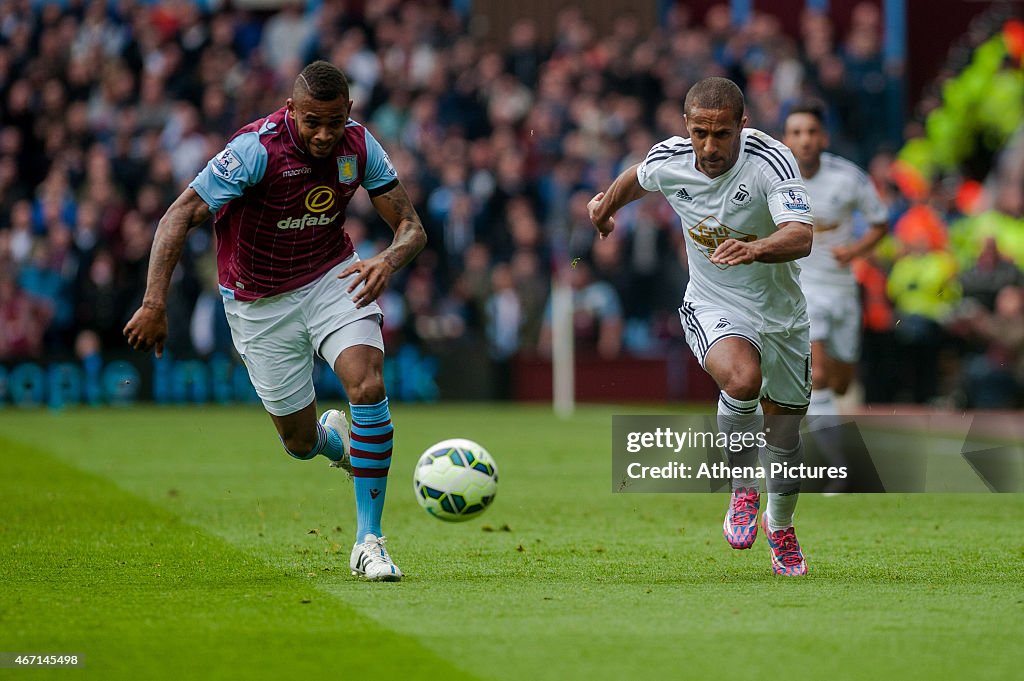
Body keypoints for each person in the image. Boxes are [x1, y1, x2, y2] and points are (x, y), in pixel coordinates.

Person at [124, 61, 426, 582]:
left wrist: (387, 259)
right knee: (299, 443)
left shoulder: (360, 146)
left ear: (349, 111)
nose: (324, 134)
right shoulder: (254, 151)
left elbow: (410, 226)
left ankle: (368, 540)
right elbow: (180, 214)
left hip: (332, 276)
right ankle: (335, 443)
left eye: (334, 121)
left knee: (368, 383)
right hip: (258, 302)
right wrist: (154, 303)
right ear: (291, 110)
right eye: (312, 122)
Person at [589, 77, 814, 576]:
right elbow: (637, 177)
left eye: (721, 134)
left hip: (782, 315)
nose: (709, 147)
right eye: (699, 133)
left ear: (742, 126)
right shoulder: (670, 158)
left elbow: (800, 235)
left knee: (784, 435)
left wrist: (755, 247)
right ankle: (740, 490)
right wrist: (604, 212)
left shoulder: (771, 161)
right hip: (713, 301)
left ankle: (781, 528)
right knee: (742, 380)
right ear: (686, 126)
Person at [782, 99, 888, 484]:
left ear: (823, 137)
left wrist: (855, 251)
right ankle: (836, 464)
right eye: (796, 133)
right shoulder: (774, 181)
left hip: (842, 289)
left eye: (811, 132)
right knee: (819, 375)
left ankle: (826, 435)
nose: (804, 140)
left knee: (842, 379)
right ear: (786, 139)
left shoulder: (849, 178)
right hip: (803, 288)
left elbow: (879, 222)